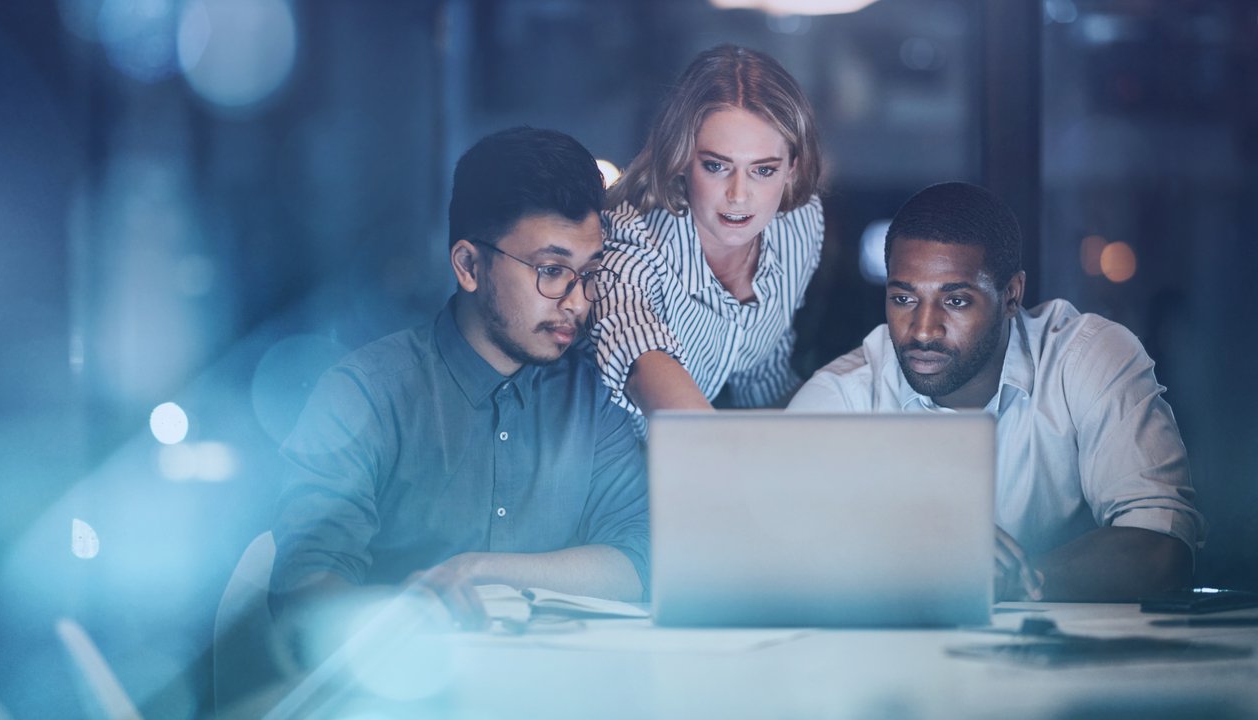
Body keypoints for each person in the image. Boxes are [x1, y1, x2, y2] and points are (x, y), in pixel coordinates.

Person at [270, 127, 649, 644]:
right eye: (551, 270)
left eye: (589, 273)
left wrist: (481, 571)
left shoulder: (592, 395)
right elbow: (304, 588)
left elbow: (639, 557)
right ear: (469, 265)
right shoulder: (365, 395)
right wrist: (397, 614)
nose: (578, 302)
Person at [789, 181, 1202, 602]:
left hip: (1071, 664)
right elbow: (776, 563)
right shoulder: (839, 400)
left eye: (956, 302)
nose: (924, 329)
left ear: (1011, 296)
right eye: (903, 299)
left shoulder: (1084, 360)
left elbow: (1163, 549)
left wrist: (1002, 581)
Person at [590, 45, 825, 431]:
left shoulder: (799, 223)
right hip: (610, 469)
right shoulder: (631, 239)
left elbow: (761, 374)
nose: (738, 194)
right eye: (716, 166)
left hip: (708, 461)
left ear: (792, 168)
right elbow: (635, 350)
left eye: (763, 170)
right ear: (683, 159)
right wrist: (720, 460)